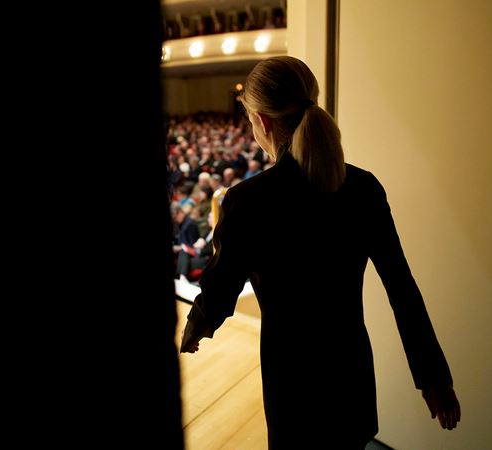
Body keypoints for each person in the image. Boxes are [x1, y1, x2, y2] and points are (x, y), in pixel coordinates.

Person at [179, 56, 460, 449]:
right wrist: (433, 377)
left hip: (293, 382)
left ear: (262, 121)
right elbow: (402, 287)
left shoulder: (248, 201)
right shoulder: (364, 187)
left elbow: (222, 287)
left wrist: (198, 324)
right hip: (351, 371)